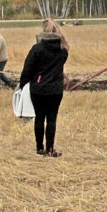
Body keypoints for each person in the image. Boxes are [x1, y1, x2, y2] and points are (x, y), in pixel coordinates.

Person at [19, 19, 69, 157]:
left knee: (39, 118)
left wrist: (22, 85)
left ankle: (39, 148)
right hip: (56, 89)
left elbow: (28, 68)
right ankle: (50, 149)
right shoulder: (63, 51)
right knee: (52, 119)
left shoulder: (37, 49)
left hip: (38, 89)